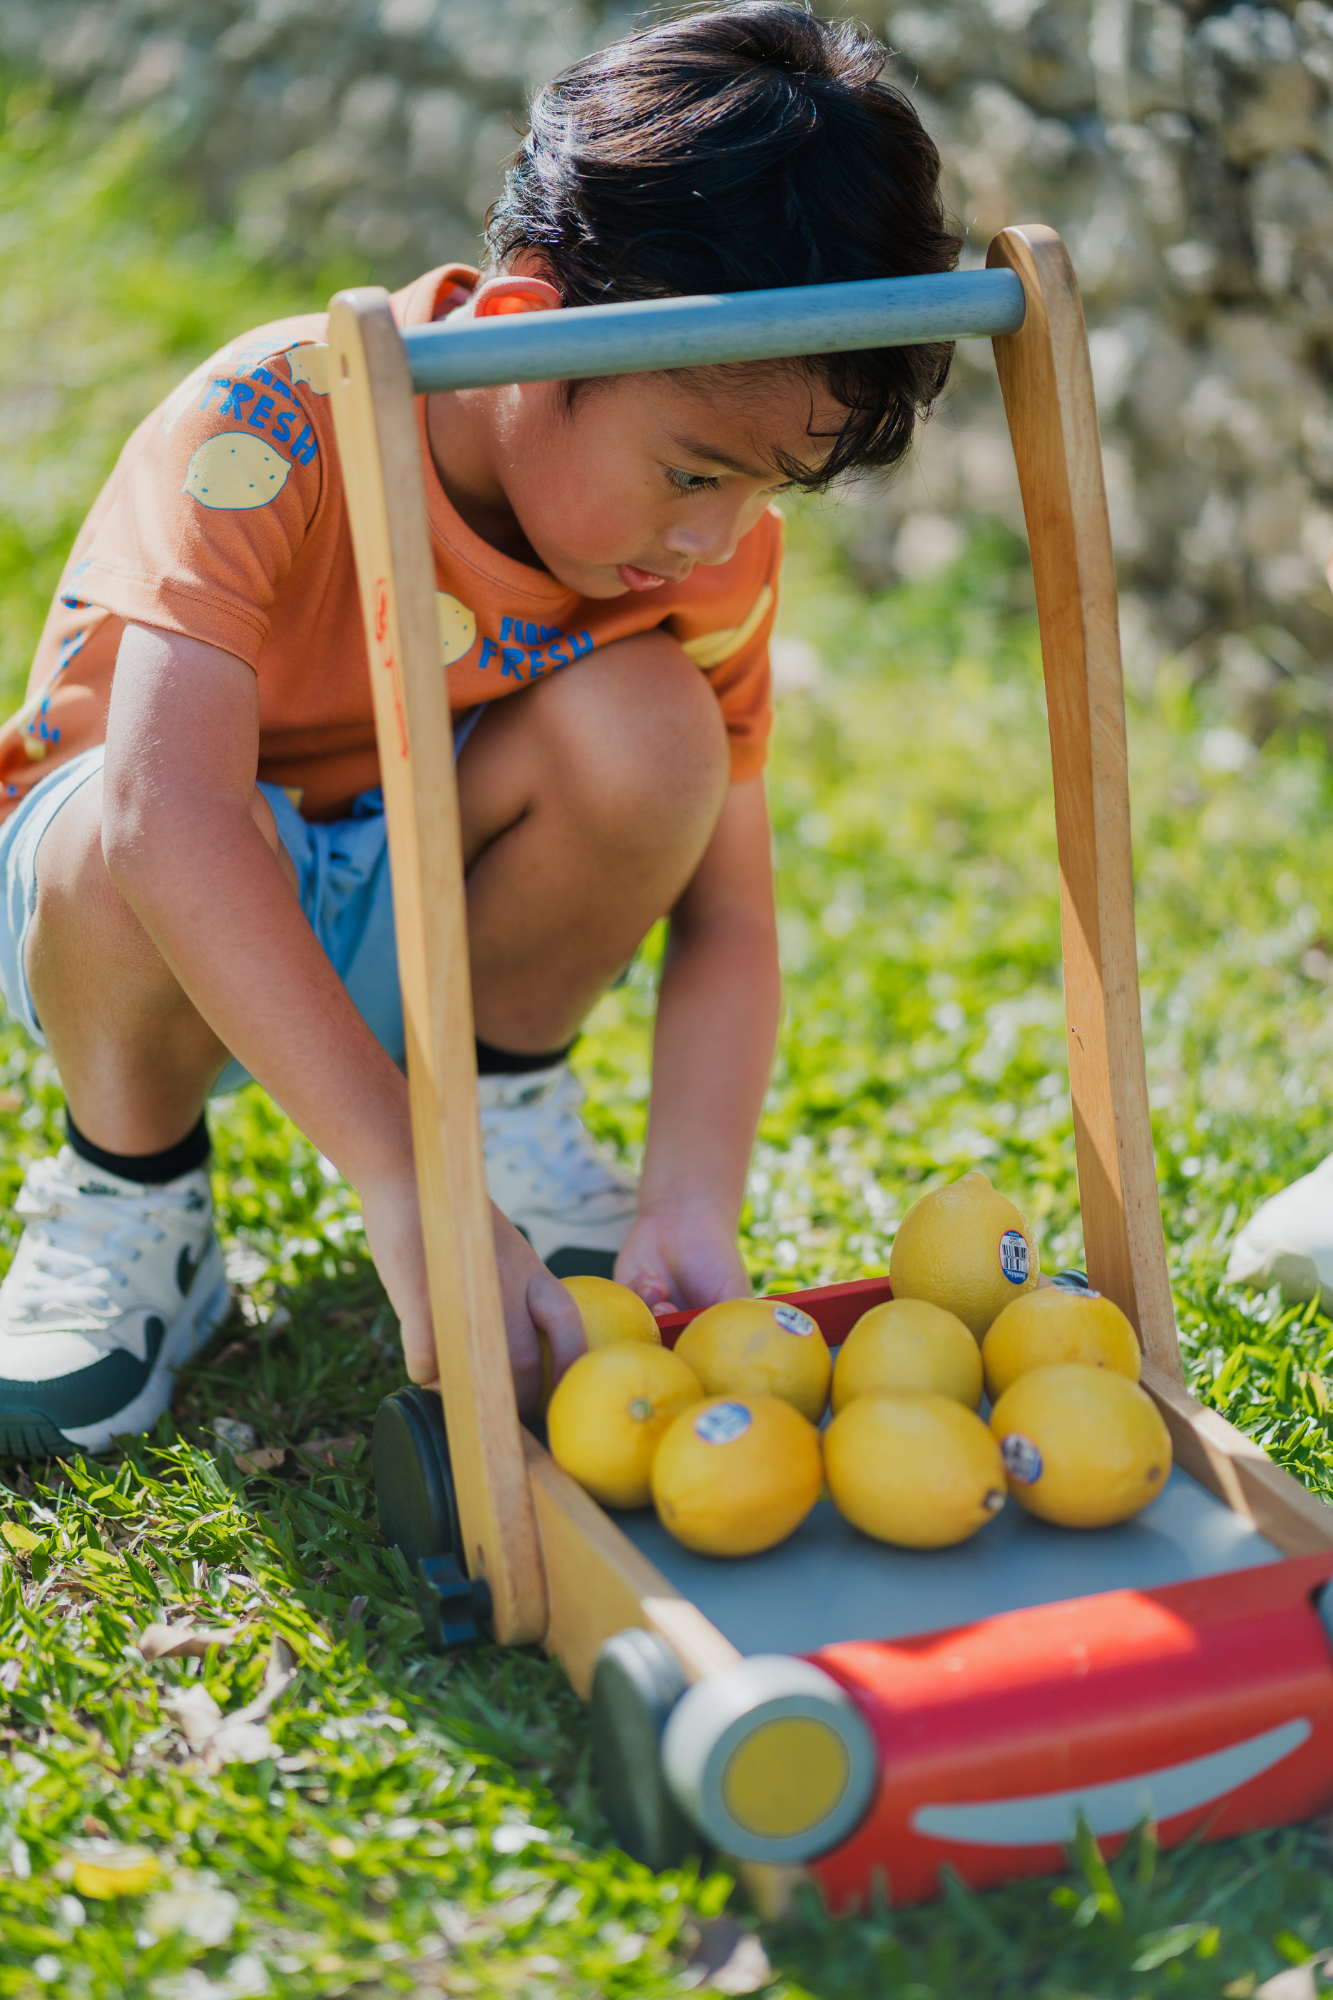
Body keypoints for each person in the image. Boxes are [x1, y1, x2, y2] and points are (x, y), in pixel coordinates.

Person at [0, 2, 958, 1455]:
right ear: (522, 332)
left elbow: (728, 919)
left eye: (766, 495)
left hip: (430, 904)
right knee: (156, 830)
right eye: (695, 472)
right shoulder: (270, 426)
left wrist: (689, 1197)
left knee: (655, 727)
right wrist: (407, 1185)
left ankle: (507, 1109)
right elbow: (162, 817)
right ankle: (135, 1193)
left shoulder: (701, 559)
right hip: (146, 903)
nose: (718, 542)